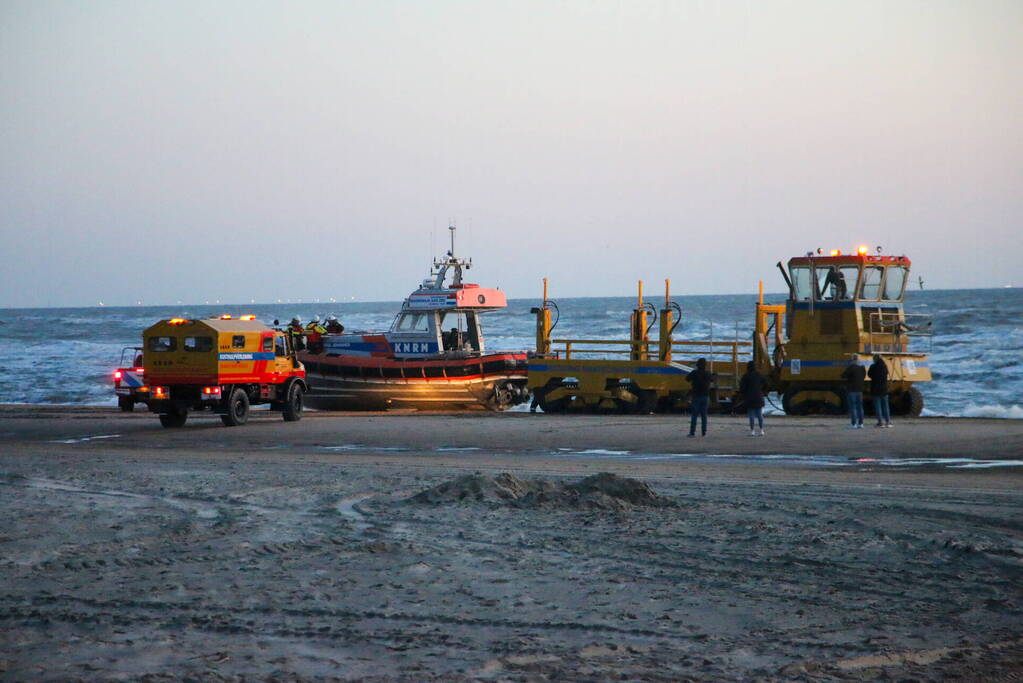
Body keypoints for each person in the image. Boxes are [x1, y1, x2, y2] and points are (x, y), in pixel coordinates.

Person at [686, 358, 714, 437]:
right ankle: (704, 432)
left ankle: (692, 432)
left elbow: (687, 379)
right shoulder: (708, 373)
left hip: (696, 396)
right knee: (704, 415)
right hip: (705, 396)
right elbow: (712, 379)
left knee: (694, 415)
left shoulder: (694, 373)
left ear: (697, 365)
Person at [738, 361, 768, 436]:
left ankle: (752, 431)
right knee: (760, 415)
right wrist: (763, 391)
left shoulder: (746, 376)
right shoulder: (759, 375)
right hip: (759, 396)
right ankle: (761, 430)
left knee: (751, 415)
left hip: (749, 397)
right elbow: (766, 384)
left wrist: (743, 395)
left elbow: (742, 388)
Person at [841, 356, 866, 429]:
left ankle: (854, 423)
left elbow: (843, 375)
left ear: (853, 360)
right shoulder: (862, 368)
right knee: (860, 407)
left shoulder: (851, 367)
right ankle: (861, 423)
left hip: (852, 389)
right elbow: (864, 376)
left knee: (853, 407)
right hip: (860, 389)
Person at [868, 355, 892, 428]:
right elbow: (887, 374)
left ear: (875, 359)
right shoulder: (885, 366)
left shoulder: (873, 366)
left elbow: (869, 374)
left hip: (875, 389)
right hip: (884, 389)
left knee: (878, 406)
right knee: (886, 406)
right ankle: (888, 422)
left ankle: (880, 422)